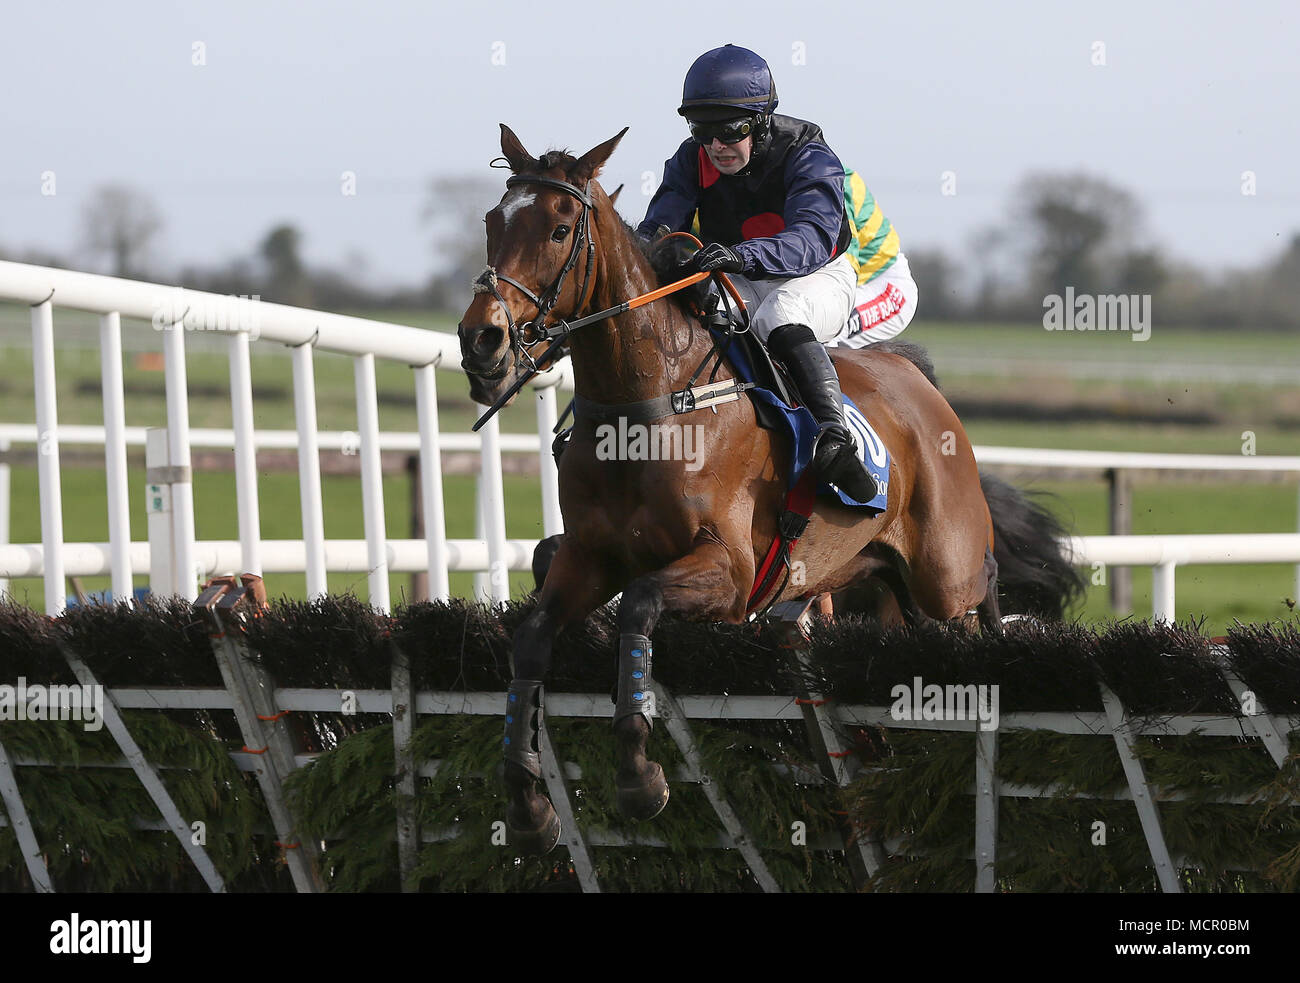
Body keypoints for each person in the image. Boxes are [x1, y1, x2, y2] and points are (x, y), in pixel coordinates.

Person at [637, 44, 888, 503]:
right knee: (693, 315)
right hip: (741, 272)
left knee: (779, 314)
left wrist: (741, 256)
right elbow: (658, 228)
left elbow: (810, 240)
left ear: (761, 121)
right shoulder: (690, 159)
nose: (715, 146)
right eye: (702, 131)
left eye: (730, 131)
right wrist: (651, 251)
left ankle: (835, 439)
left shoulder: (810, 155)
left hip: (817, 275)